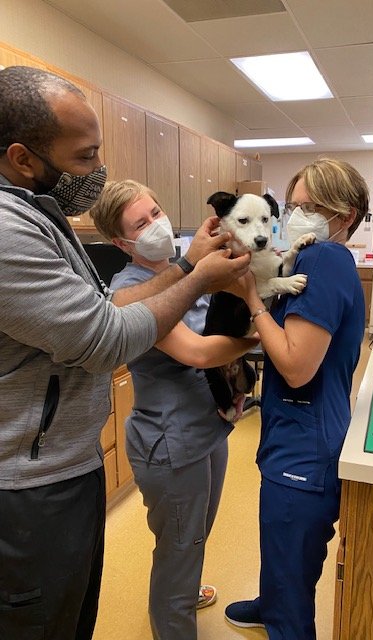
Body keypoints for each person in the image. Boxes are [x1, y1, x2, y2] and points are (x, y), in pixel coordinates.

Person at [0, 65, 250, 640]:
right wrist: (210, 290)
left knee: (74, 607)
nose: (97, 171)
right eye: (85, 157)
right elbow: (107, 336)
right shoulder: (10, 231)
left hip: (67, 460)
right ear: (23, 158)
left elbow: (105, 306)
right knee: (44, 619)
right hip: (31, 482)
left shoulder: (38, 215)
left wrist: (188, 268)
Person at [90, 179, 259, 640]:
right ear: (121, 242)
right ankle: (173, 617)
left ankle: (179, 591)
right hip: (170, 441)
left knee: (194, 536)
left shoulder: (187, 272)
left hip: (208, 429)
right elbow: (199, 352)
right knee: (179, 546)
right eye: (140, 223)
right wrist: (262, 338)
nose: (155, 225)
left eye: (156, 211)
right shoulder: (135, 288)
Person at [224, 158, 369, 639]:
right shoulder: (311, 258)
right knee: (282, 547)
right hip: (300, 430)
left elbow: (295, 363)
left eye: (310, 207)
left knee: (292, 559)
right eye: (292, 205)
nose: (295, 216)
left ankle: (283, 616)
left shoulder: (324, 260)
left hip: (304, 449)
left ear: (345, 215)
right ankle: (271, 601)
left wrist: (250, 297)